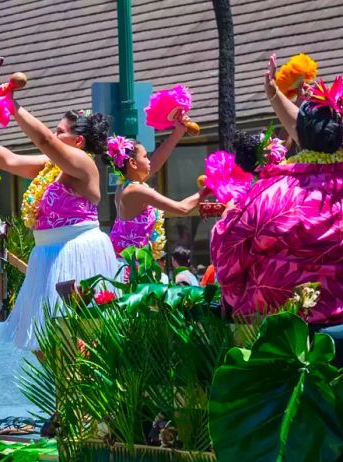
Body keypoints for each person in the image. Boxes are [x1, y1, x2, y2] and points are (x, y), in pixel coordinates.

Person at [211, 58, 343, 334]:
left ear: (301, 137)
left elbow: (227, 255)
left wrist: (242, 298)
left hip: (282, 329)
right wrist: (274, 93)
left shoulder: (269, 193)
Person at [0, 104, 119, 351]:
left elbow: (45, 139)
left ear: (79, 141)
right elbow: (9, 160)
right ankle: (66, 387)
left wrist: (12, 105)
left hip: (76, 251)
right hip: (47, 254)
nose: (55, 134)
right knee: (46, 344)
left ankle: (79, 386)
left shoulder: (83, 163)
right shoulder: (51, 166)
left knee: (78, 339)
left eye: (61, 131)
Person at [108, 114, 210, 261]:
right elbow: (182, 208)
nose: (149, 160)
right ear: (133, 163)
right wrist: (209, 188)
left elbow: (156, 162)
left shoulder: (126, 185)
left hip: (128, 262)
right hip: (130, 267)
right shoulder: (135, 190)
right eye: (144, 157)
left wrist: (178, 132)